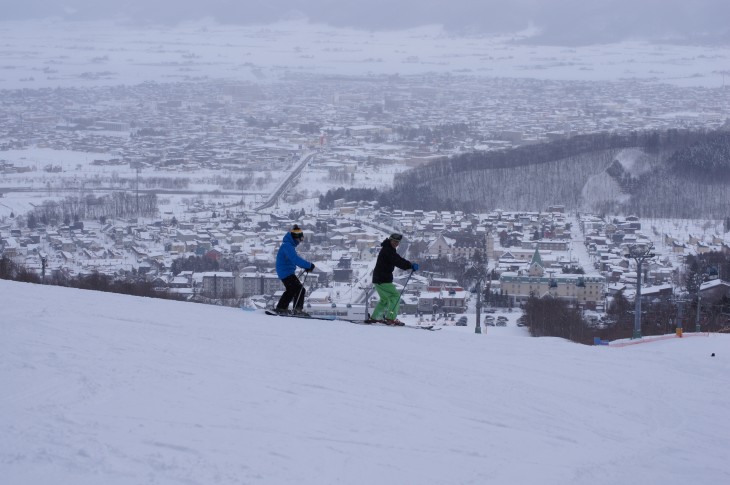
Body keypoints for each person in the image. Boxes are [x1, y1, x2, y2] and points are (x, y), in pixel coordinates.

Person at [370, 233, 419, 325]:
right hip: (383, 279)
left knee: (384, 299)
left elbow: (397, 259)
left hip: (378, 278)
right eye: (394, 241)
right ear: (390, 240)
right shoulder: (388, 250)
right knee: (395, 297)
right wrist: (410, 265)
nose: (396, 243)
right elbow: (397, 260)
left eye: (397, 242)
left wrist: (409, 265)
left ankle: (376, 317)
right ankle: (390, 318)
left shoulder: (388, 249)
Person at [275, 225, 315, 315]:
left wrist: (306, 267)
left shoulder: (287, 245)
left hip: (285, 272)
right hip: (286, 272)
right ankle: (297, 310)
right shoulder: (287, 246)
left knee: (291, 290)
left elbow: (294, 259)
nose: (300, 242)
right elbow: (295, 259)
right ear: (295, 238)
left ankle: (281, 308)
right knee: (300, 289)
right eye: (300, 239)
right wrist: (308, 265)